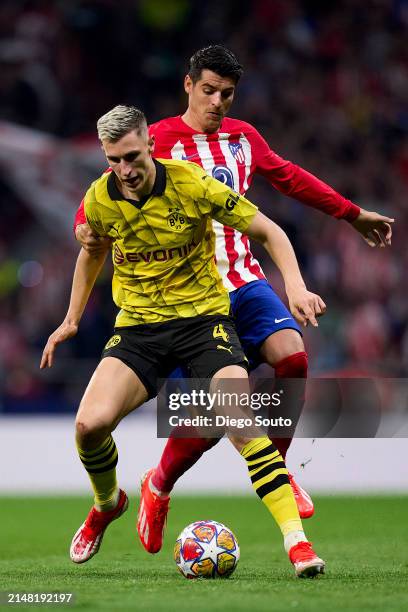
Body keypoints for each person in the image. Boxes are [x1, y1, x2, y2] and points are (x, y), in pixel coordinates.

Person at [73, 46, 394, 552]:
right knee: (210, 417)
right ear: (188, 86)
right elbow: (98, 206)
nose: (218, 101)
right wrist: (85, 237)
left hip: (242, 281)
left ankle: (279, 469)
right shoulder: (152, 142)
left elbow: (289, 178)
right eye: (209, 91)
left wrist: (351, 215)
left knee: (293, 357)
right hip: (188, 300)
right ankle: (158, 485)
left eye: (227, 94)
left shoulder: (243, 138)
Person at [41, 105, 327, 577]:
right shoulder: (100, 198)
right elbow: (91, 252)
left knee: (239, 417)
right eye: (114, 160)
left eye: (132, 156)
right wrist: (71, 319)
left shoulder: (192, 184)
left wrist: (294, 286)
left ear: (151, 144)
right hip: (139, 329)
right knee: (89, 425)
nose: (125, 171)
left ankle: (297, 543)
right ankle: (107, 503)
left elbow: (269, 230)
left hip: (202, 325)